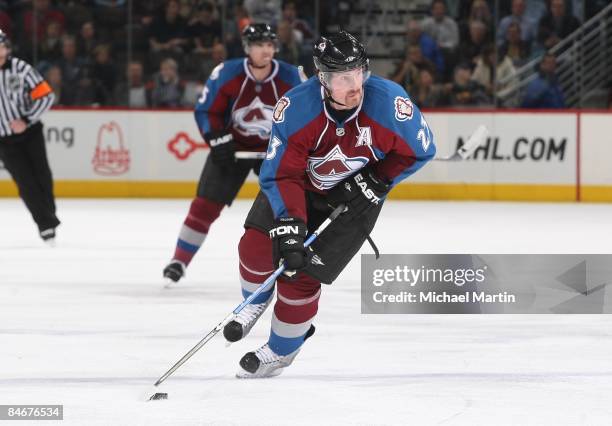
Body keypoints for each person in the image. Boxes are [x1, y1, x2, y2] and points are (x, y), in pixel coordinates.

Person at [223, 31, 436, 378]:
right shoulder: (295, 110)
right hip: (299, 188)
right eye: (341, 78)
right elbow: (282, 174)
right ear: (323, 79)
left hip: (356, 201)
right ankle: (255, 300)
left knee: (301, 277)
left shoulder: (390, 105)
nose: (353, 86)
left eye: (358, 74)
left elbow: (420, 151)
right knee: (255, 247)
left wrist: (378, 178)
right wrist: (291, 225)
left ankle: (281, 350)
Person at [162, 24, 305, 283]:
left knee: (287, 209)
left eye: (270, 44)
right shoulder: (226, 73)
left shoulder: (291, 77)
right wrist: (217, 138)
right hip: (233, 148)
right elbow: (207, 111)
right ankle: (179, 260)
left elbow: (304, 117)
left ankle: (291, 261)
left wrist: (290, 147)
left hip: (273, 153)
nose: (266, 50)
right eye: (260, 44)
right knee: (204, 206)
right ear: (247, 48)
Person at [0, 30, 59, 243]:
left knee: (42, 174)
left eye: (1, 46)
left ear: (7, 47)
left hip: (31, 132)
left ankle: (48, 213)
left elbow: (46, 95)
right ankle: (44, 223)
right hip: (4, 139)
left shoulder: (21, 69)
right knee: (25, 182)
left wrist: (26, 119)